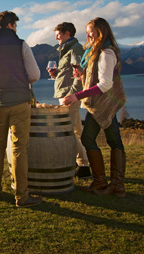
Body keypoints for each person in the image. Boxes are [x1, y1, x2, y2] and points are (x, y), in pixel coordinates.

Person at [0, 11, 43, 207]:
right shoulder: (21, 45)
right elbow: (35, 75)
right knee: (19, 148)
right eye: (16, 26)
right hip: (20, 102)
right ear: (11, 25)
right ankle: (22, 196)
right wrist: (18, 83)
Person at [62, 17, 127, 197]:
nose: (89, 35)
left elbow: (105, 84)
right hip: (100, 104)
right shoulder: (94, 52)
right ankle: (113, 185)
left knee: (90, 139)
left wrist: (77, 95)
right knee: (111, 141)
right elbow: (95, 80)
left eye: (92, 31)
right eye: (88, 31)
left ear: (102, 31)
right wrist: (81, 77)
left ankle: (106, 183)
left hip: (103, 103)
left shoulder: (106, 53)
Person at [46, 22, 91, 178]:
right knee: (77, 130)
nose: (56, 36)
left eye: (58, 33)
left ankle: (83, 164)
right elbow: (69, 72)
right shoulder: (66, 50)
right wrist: (56, 73)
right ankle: (83, 164)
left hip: (69, 96)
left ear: (67, 33)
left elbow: (80, 74)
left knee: (68, 131)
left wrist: (72, 94)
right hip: (66, 93)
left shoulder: (75, 49)